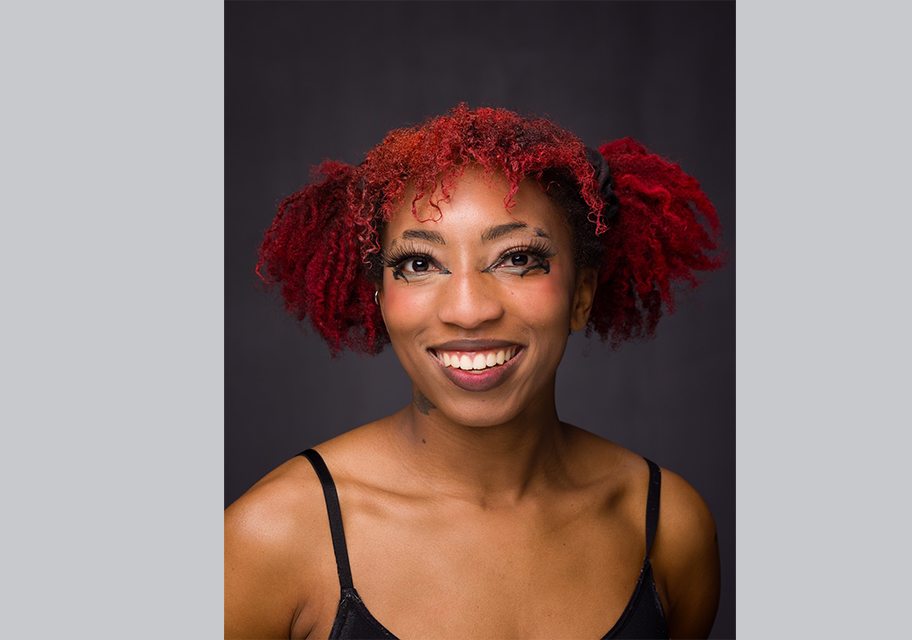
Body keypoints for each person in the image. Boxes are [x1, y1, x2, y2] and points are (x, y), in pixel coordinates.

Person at [225, 105, 724, 639]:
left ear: (581, 294)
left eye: (517, 258)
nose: (468, 310)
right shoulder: (270, 540)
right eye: (419, 264)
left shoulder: (668, 529)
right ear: (380, 301)